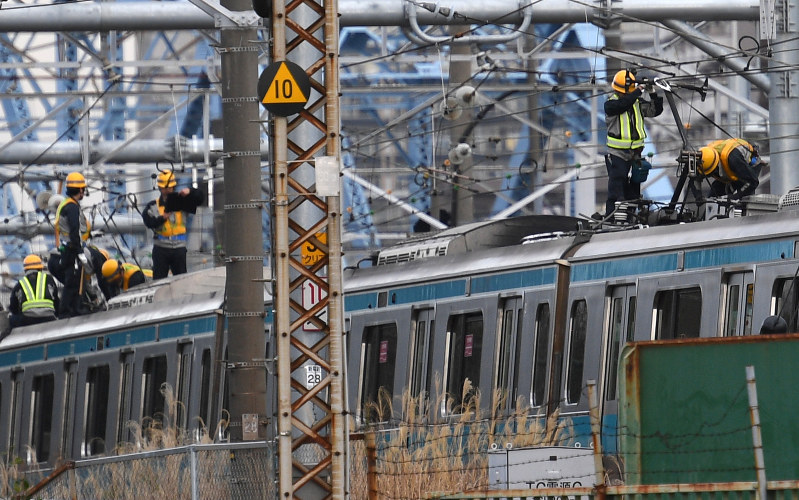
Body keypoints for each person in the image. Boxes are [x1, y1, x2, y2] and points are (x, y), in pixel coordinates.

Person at [604, 69, 664, 216]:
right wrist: (637, 91)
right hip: (618, 153)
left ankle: (631, 215)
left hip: (636, 153)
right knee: (617, 188)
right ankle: (613, 217)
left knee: (634, 188)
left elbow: (655, 111)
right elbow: (623, 104)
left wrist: (652, 93)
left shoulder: (636, 103)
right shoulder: (611, 104)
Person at [142, 170, 203, 279]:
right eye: (165, 188)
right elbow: (148, 222)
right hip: (161, 248)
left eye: (170, 188)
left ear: (174, 186)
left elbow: (200, 198)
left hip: (179, 248)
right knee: (159, 281)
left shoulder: (182, 202)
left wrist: (190, 191)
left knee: (181, 281)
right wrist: (162, 218)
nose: (168, 190)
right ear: (160, 188)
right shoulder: (153, 206)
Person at [54, 171, 90, 318]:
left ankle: (71, 309)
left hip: (67, 247)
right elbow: (74, 229)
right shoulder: (73, 207)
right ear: (80, 190)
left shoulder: (66, 204)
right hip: (72, 248)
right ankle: (68, 310)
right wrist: (79, 249)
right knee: (73, 281)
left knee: (73, 280)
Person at [699, 138, 763, 200]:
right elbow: (695, 178)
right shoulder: (703, 157)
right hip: (730, 165)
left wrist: (735, 196)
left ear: (716, 166)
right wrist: (698, 196)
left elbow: (753, 182)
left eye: (713, 173)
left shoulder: (734, 160)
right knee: (715, 191)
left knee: (743, 196)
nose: (712, 176)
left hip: (749, 165)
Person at [8, 254, 59, 329]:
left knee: (11, 318)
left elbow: (13, 307)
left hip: (28, 319)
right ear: (40, 268)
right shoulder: (49, 279)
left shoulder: (20, 283)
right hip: (49, 317)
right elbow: (56, 300)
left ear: (25, 269)